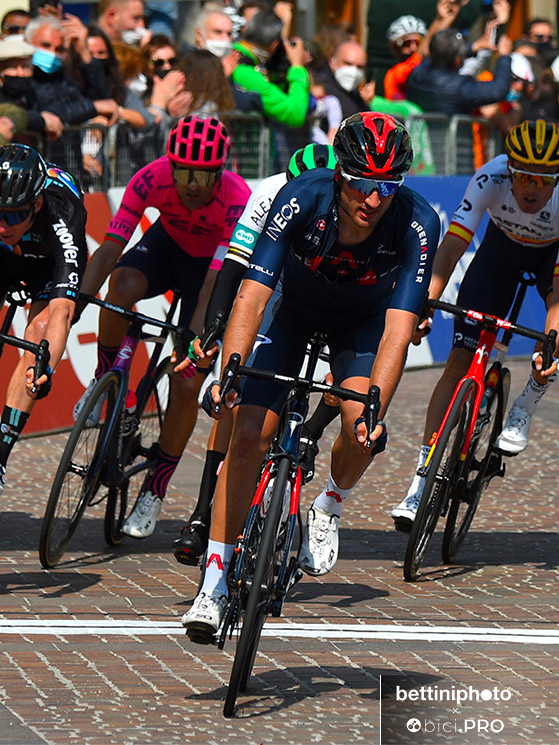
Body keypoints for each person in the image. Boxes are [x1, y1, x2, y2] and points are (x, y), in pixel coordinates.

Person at [181, 112, 441, 638]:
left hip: (362, 321)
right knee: (250, 433)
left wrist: (374, 406)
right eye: (362, 183)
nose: (374, 199)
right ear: (341, 174)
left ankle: (329, 504)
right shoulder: (301, 197)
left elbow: (397, 331)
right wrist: (230, 371)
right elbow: (252, 296)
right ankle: (213, 583)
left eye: (388, 186)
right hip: (292, 309)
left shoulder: (417, 222)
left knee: (361, 427)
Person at [74, 116, 251, 539]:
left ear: (219, 172)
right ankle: (104, 380)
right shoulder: (150, 178)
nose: (191, 185)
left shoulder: (236, 197)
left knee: (188, 383)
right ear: (170, 166)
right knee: (120, 285)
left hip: (210, 272)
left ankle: (155, 489)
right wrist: (77, 301)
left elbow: (212, 285)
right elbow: (109, 250)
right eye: (183, 173)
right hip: (166, 247)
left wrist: (193, 341)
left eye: (202, 176)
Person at [172, 142, 338, 565]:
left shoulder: (346, 205)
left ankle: (309, 433)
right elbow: (234, 267)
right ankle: (203, 511)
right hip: (275, 283)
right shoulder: (269, 192)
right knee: (235, 387)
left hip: (327, 292)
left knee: (342, 378)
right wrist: (213, 329)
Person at [391, 119, 559, 530]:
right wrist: (426, 303)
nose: (532, 188)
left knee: (555, 342)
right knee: (458, 363)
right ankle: (420, 481)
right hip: (499, 254)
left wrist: (550, 343)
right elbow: (453, 245)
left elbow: (558, 294)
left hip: (550, 258)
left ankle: (526, 404)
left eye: (543, 180)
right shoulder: (490, 176)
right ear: (509, 170)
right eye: (524, 177)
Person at [0, 143, 87, 491]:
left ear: (35, 204)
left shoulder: (63, 216)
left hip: (47, 263)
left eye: (13, 215)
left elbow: (61, 313)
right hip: (7, 258)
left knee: (37, 332)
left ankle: (1, 455)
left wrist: (46, 367)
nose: (3, 224)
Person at [406, 27, 512, 116]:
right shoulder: (461, 87)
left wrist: (475, 47)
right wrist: (504, 56)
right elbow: (499, 89)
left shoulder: (416, 74)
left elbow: (437, 55)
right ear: (457, 61)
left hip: (419, 134)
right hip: (452, 135)